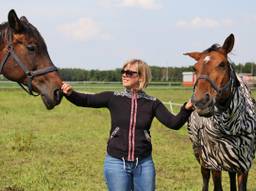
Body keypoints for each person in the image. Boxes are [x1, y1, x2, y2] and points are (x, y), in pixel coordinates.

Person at [61, 59, 193, 191]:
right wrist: (70, 93)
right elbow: (85, 100)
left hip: (144, 164)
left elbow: (173, 123)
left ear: (141, 76)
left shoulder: (153, 103)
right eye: (123, 71)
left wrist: (187, 108)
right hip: (116, 163)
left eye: (129, 72)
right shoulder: (113, 97)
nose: (124, 75)